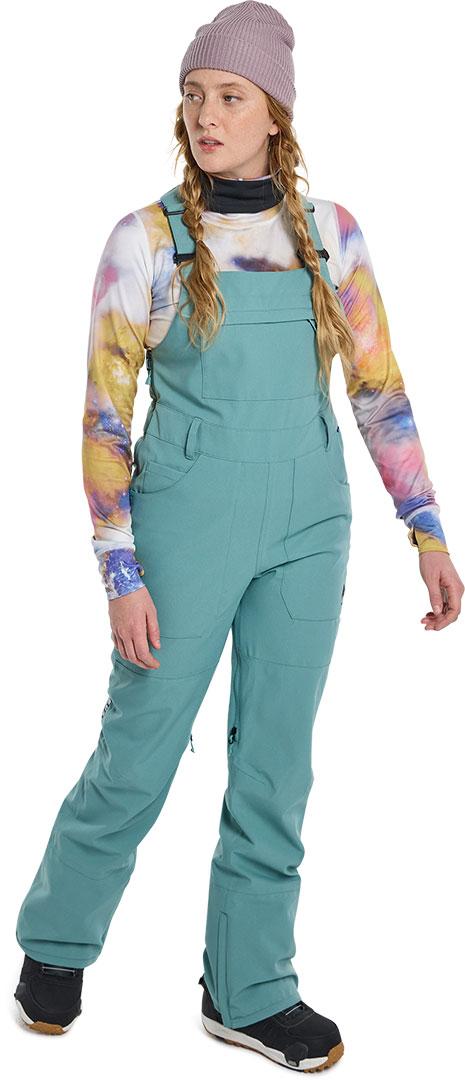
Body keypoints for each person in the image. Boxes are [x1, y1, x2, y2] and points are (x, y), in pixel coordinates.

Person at [13, 0, 463, 1068]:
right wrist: (119, 572)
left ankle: (249, 985)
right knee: (139, 748)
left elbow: (378, 391)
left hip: (311, 519)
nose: (205, 115)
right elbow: (104, 419)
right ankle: (57, 941)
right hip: (184, 521)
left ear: (275, 114)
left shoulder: (330, 236)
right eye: (193, 95)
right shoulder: (146, 241)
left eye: (229, 96)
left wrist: (427, 532)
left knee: (275, 763)